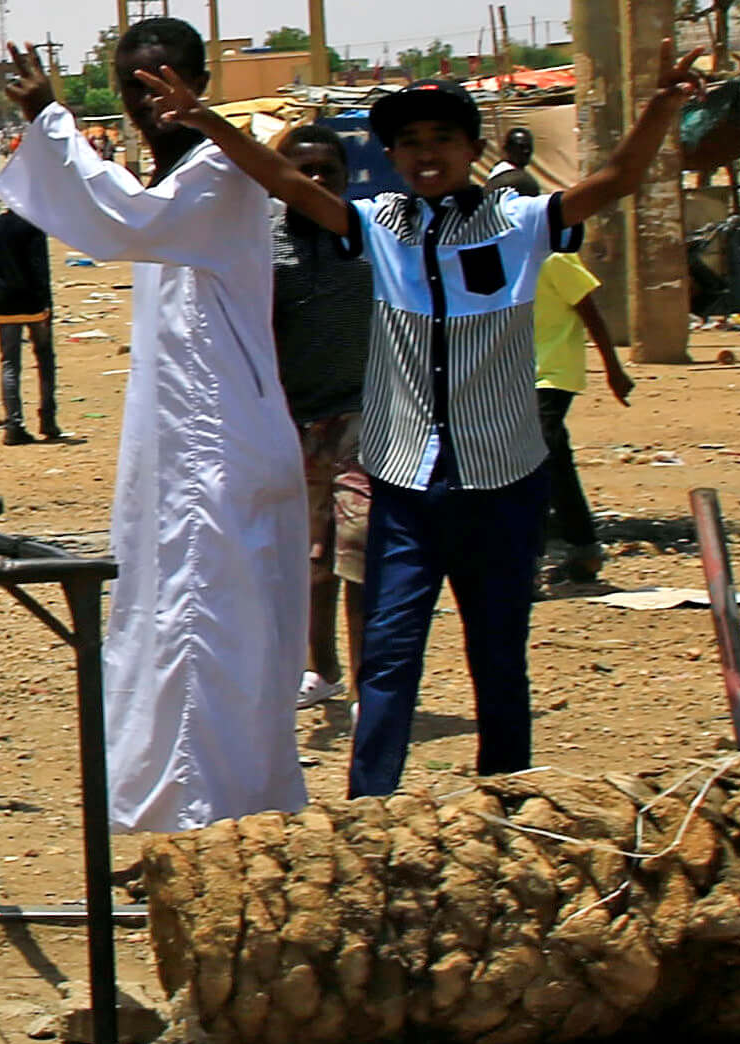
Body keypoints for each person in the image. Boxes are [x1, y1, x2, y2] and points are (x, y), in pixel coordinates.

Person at [134, 41, 701, 797]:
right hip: (405, 486)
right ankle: (369, 812)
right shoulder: (376, 225)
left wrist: (660, 108)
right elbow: (281, 180)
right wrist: (208, 122)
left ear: (471, 149)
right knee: (389, 652)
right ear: (392, 155)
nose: (425, 154)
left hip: (501, 481)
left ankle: (505, 803)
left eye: (441, 139)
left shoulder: (520, 221)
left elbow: (618, 179)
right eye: (409, 142)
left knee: (497, 654)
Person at [0, 22, 308, 833]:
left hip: (217, 441)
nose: (149, 104)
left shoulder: (214, 172)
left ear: (199, 79)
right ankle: (191, 813)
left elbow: (122, 220)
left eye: (163, 83)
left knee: (205, 619)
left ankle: (210, 817)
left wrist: (50, 123)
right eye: (133, 88)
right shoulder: (187, 175)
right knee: (177, 611)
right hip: (185, 440)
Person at [270, 123, 372, 710]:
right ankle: (323, 668)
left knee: (358, 554)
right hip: (289, 421)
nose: (313, 182)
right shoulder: (259, 240)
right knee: (312, 563)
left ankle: (368, 683)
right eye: (300, 171)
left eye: (325, 172)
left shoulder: (367, 235)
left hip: (362, 418)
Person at [532, 243, 631, 587]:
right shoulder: (497, 252)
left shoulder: (554, 257)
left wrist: (613, 369)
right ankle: (574, 546)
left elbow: (590, 312)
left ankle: (571, 546)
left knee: (543, 451)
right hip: (510, 374)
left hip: (553, 373)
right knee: (544, 457)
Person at [0, 200, 63, 446]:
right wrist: (47, 303)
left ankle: (14, 425)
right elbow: (39, 268)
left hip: (4, 301)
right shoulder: (34, 226)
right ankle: (48, 419)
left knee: (10, 363)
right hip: (33, 301)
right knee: (45, 359)